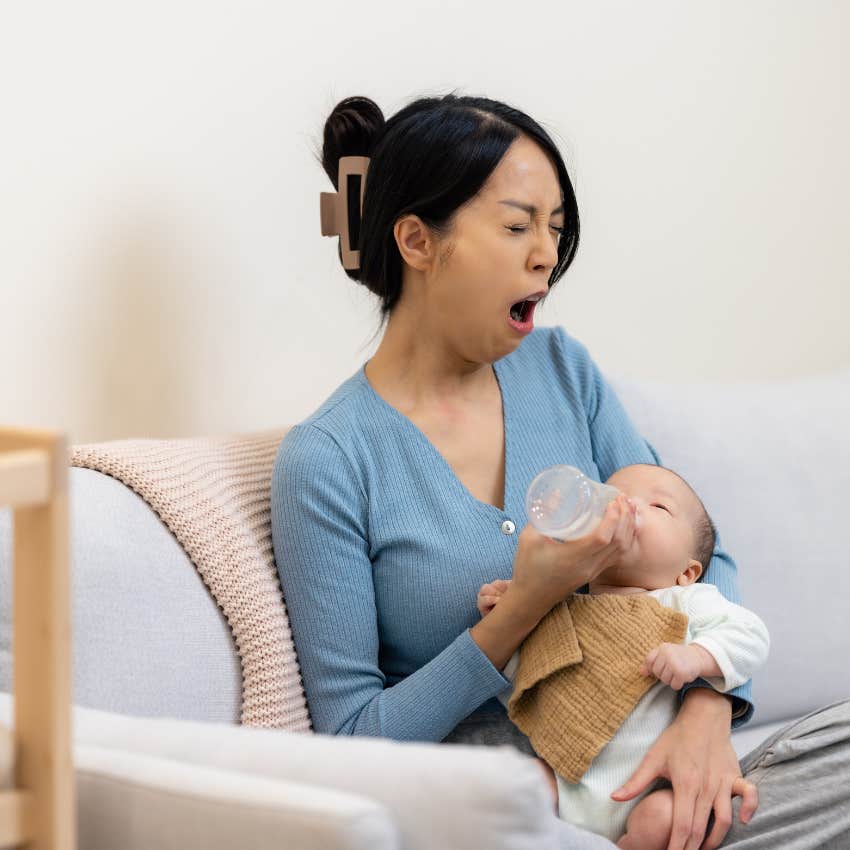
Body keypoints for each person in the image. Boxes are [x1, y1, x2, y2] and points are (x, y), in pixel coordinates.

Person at [270, 92, 850, 850]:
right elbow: (351, 740)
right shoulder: (329, 462)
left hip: (660, 774)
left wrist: (709, 706)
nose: (546, 254)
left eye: (554, 229)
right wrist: (519, 612)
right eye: (517, 226)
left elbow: (703, 552)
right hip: (515, 809)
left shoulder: (561, 369)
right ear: (416, 240)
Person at [477, 462, 769, 847]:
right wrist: (508, 617)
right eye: (613, 498)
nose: (627, 506)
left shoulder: (685, 601)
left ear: (688, 571)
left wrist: (699, 656)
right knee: (514, 786)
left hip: (648, 792)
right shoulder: (565, 608)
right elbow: (530, 683)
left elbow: (750, 634)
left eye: (659, 507)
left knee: (660, 819)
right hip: (566, 788)